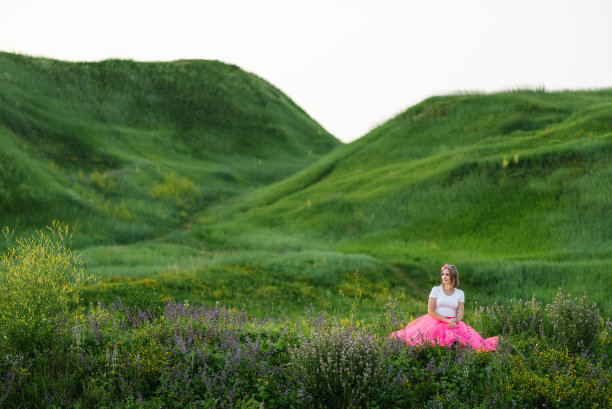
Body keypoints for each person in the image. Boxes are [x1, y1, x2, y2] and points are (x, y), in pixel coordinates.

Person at [391, 264, 497, 351]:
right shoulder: (436, 290)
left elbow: (460, 313)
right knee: (427, 342)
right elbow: (431, 311)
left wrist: (455, 321)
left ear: (453, 276)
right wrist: (447, 321)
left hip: (453, 322)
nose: (444, 277)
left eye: (447, 275)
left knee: (467, 344)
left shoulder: (460, 293)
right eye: (443, 274)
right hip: (435, 321)